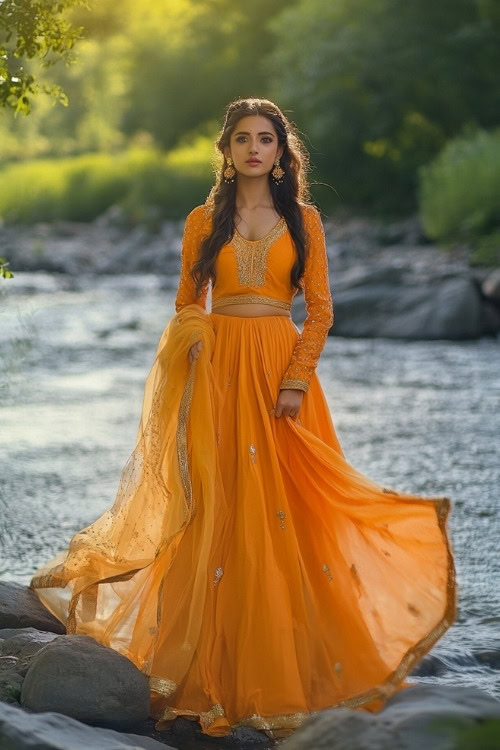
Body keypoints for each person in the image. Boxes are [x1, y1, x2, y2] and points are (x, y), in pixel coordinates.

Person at [29, 97, 457, 741]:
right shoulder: (204, 220)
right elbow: (185, 302)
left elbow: (320, 311)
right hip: (217, 376)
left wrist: (294, 380)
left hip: (279, 373)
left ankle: (302, 667)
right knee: (219, 508)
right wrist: (195, 339)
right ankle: (210, 670)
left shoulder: (304, 220)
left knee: (292, 507)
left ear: (282, 152)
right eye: (242, 139)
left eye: (266, 139)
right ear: (227, 152)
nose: (254, 149)